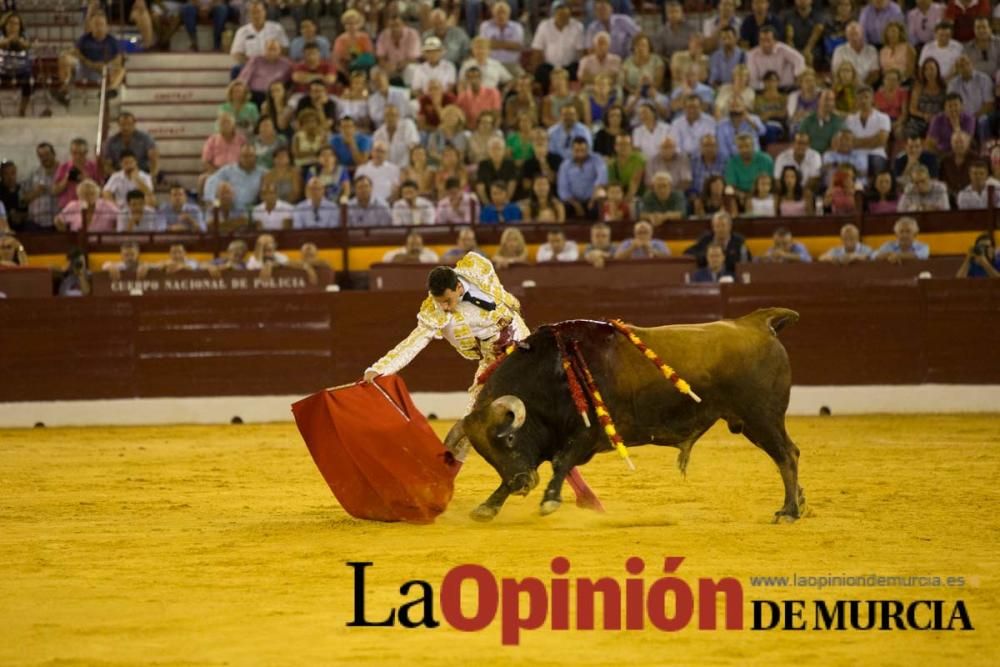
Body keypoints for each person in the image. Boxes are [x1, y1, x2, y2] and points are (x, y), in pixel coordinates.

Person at [361, 253, 602, 510]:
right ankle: (436, 492)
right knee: (468, 428)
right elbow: (413, 343)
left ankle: (583, 493)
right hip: (494, 365)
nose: (443, 306)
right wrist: (380, 369)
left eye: (447, 300)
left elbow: (503, 298)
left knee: (547, 424)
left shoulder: (477, 265)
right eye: (438, 301)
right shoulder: (433, 313)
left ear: (458, 286)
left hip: (527, 354)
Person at [557, 137, 607, 220]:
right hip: (572, 201)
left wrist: (592, 199)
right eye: (577, 151)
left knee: (598, 205)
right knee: (565, 208)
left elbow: (601, 179)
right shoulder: (565, 165)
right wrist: (576, 204)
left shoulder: (597, 159)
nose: (580, 154)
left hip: (593, 198)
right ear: (572, 150)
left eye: (583, 150)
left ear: (588, 149)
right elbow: (563, 189)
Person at [684, 211, 751, 272]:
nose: (720, 229)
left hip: (732, 276)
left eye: (723, 225)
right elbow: (687, 253)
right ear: (713, 227)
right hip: (708, 277)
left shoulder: (738, 241)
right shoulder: (705, 239)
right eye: (717, 226)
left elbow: (746, 261)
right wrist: (707, 256)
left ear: (730, 226)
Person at [54, 179, 118, 232]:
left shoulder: (107, 205)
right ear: (78, 195)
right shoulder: (73, 206)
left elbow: (121, 217)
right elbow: (58, 220)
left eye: (91, 193)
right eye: (84, 193)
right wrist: (68, 235)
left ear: (97, 194)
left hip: (102, 243)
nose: (87, 196)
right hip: (79, 242)